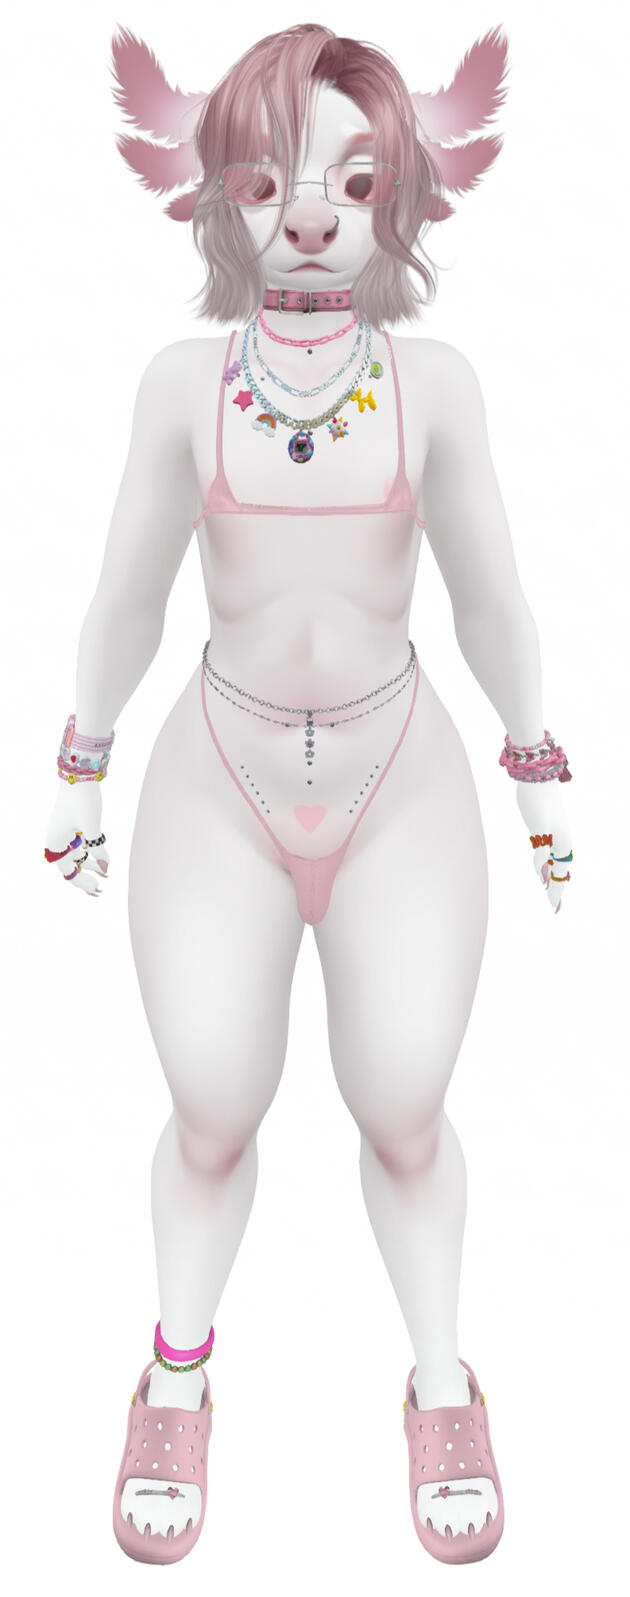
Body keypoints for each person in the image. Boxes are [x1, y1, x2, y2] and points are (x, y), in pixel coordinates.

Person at [43, 22, 573, 1568]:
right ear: (221, 192)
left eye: (350, 177)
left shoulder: (432, 385)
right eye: (272, 179)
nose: (314, 215)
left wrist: (534, 762)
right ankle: (175, 1372)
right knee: (211, 1104)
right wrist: (80, 760)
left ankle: (440, 1379)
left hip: (398, 775)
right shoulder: (180, 387)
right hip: (218, 777)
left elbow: (492, 599)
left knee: (403, 1103)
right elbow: (125, 597)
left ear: (397, 188)